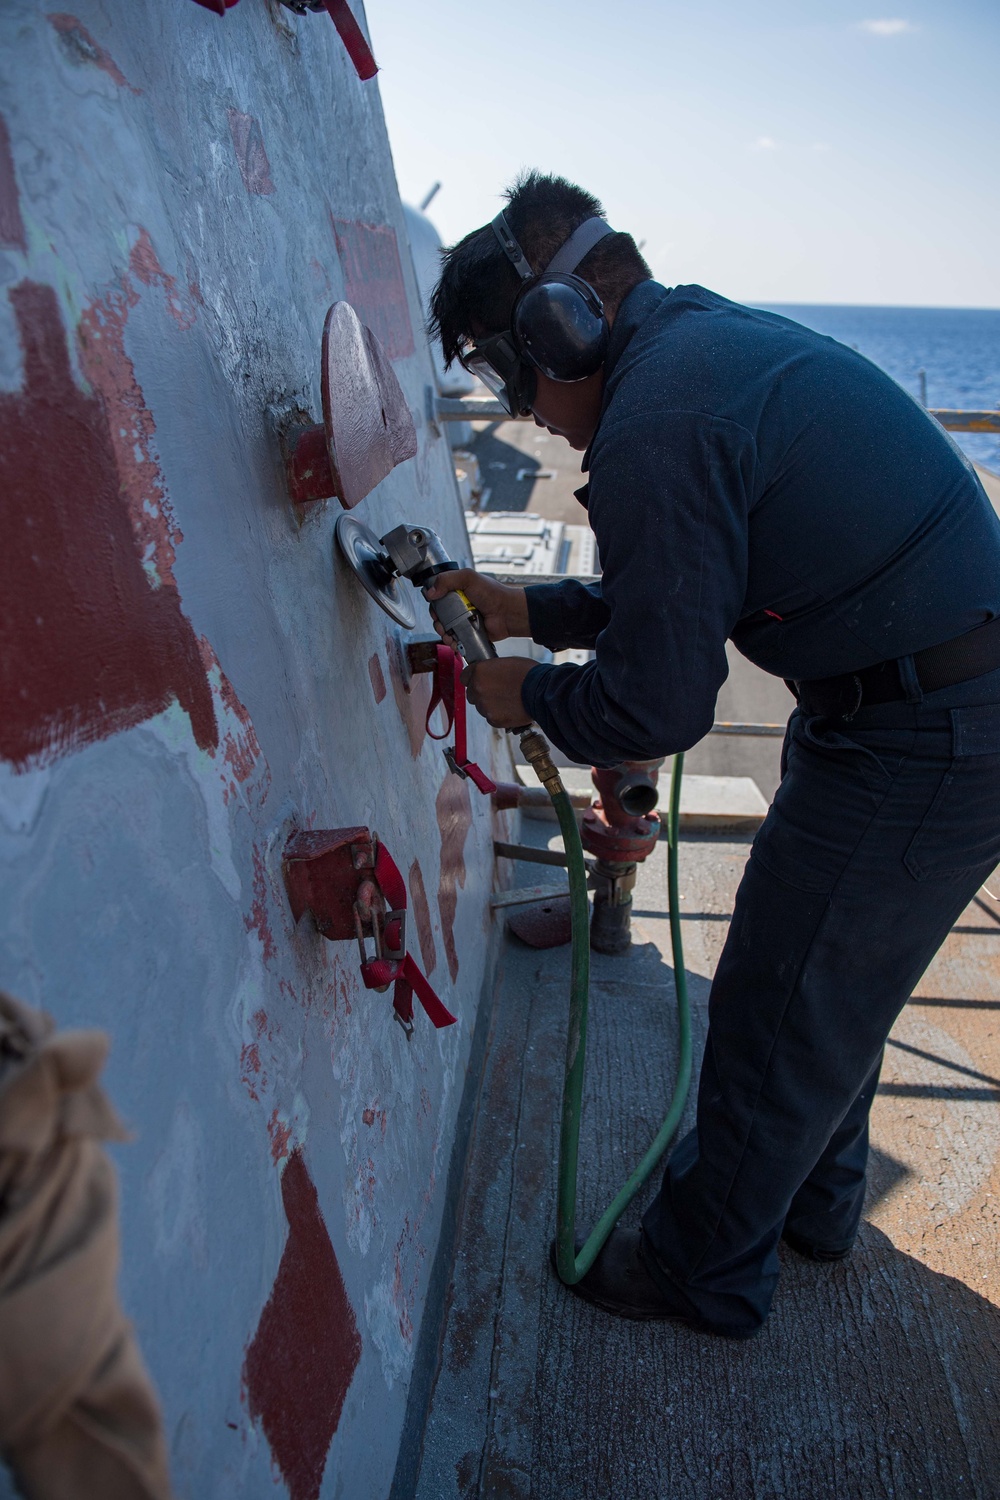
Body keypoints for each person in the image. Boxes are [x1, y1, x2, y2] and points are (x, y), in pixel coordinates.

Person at [425, 171, 1000, 1339]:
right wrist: (529, 610)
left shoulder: (659, 420)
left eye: (498, 368)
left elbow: (657, 697)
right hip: (914, 697)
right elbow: (677, 586)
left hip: (925, 731)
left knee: (778, 1002)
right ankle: (815, 1210)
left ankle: (701, 1271)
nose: (519, 410)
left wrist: (516, 691)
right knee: (825, 987)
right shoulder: (693, 346)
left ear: (558, 326)